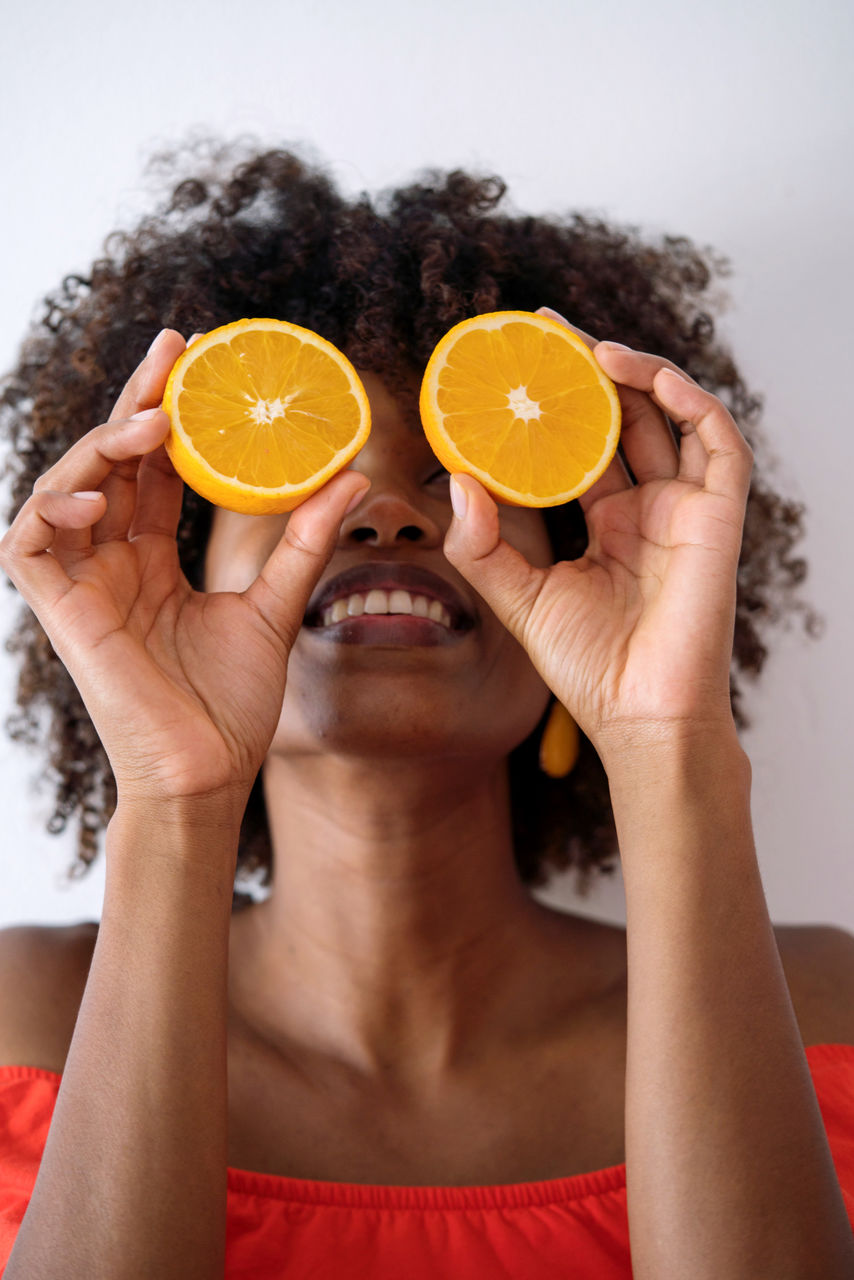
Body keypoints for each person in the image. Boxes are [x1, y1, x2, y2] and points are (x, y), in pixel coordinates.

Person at [0, 142, 851, 1279]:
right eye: (304, 473)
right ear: (182, 564)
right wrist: (170, 794)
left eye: (462, 472)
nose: (390, 515)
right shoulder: (22, 1019)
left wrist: (664, 744)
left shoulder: (815, 1009)